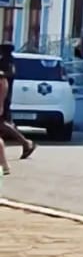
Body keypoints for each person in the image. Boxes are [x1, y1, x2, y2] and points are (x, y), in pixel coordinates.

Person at [0, 43, 35, 171]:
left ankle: (26, 142)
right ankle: (25, 143)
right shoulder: (5, 60)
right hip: (4, 96)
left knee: (3, 123)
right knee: (4, 123)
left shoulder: (8, 61)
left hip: (3, 96)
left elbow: (9, 74)